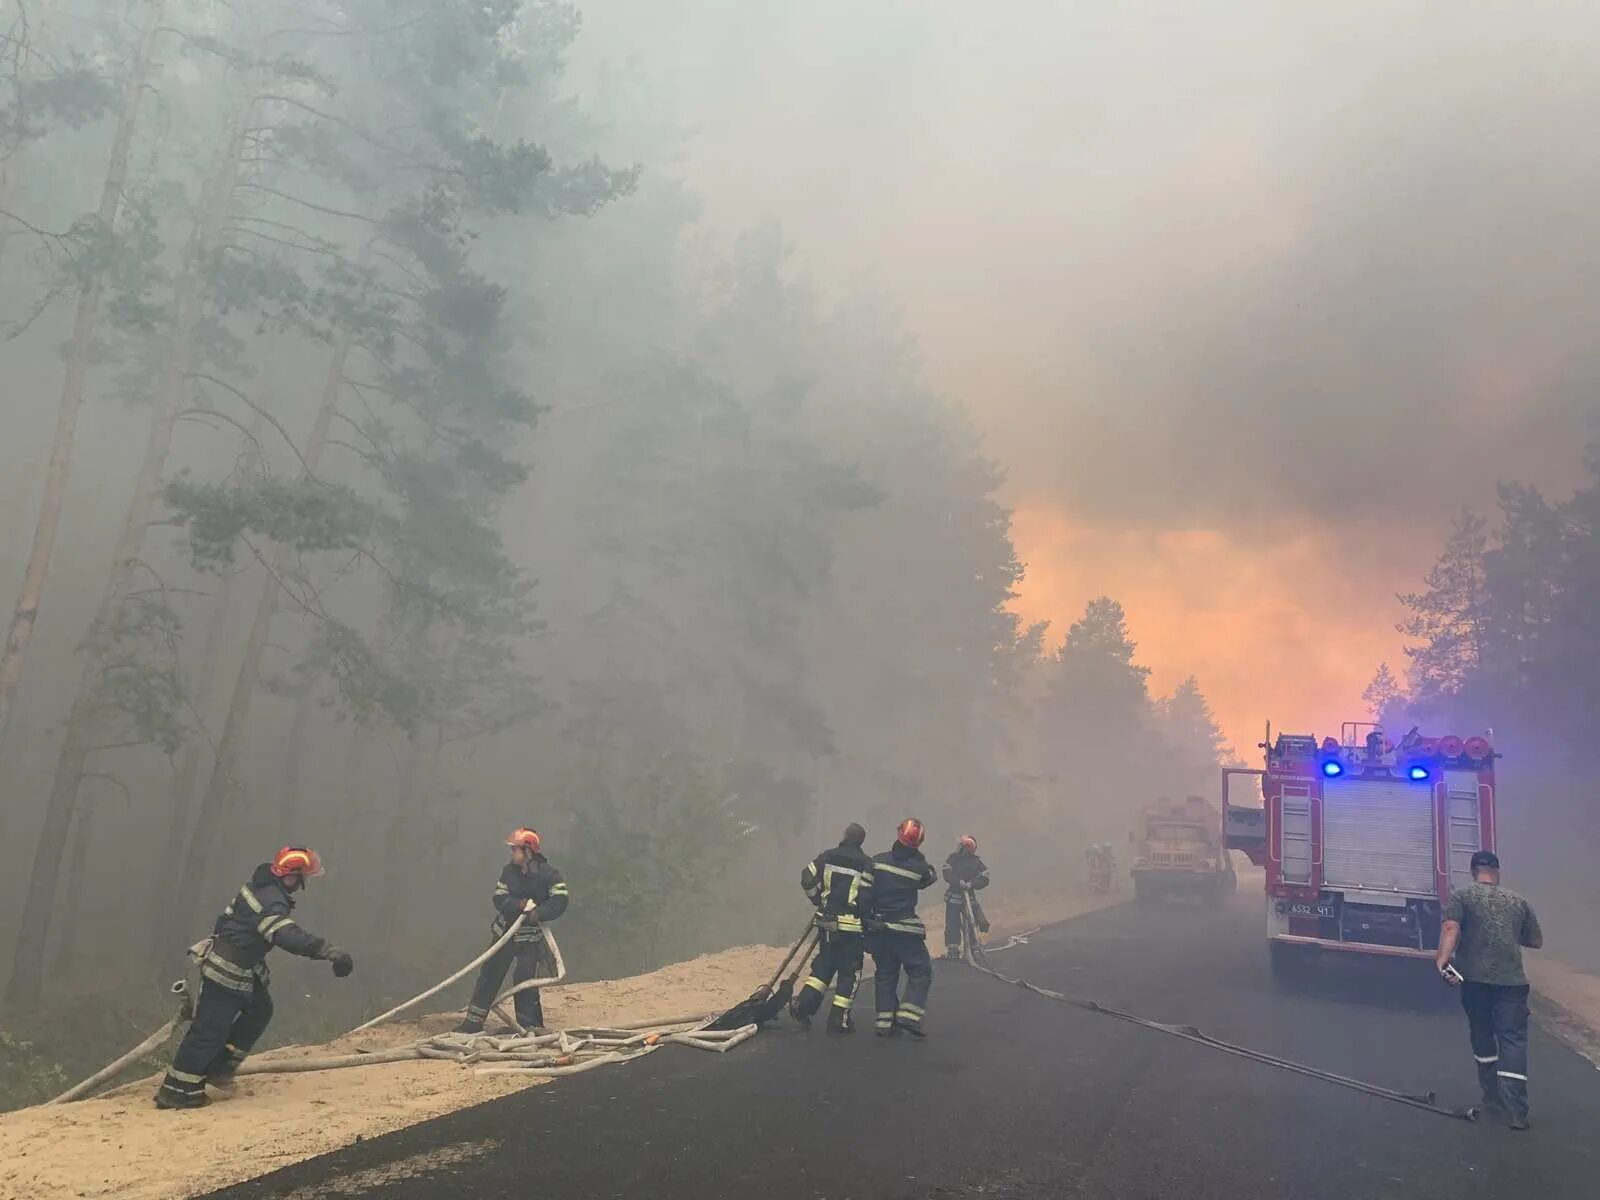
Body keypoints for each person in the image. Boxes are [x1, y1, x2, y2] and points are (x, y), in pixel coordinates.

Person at [156, 847, 353, 1109]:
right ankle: (178, 1091)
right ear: (293, 877)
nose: (303, 884)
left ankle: (220, 1068)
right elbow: (285, 935)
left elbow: (227, 922)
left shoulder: (259, 887)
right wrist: (328, 951)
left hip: (241, 965)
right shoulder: (272, 900)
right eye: (303, 877)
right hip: (228, 969)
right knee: (209, 1030)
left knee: (260, 1010)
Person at [1436, 850, 1543, 1129]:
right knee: (1513, 1041)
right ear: (1497, 872)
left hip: (1475, 982)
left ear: (1474, 871)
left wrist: (1442, 960)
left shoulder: (1463, 896)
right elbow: (1535, 940)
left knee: (1482, 1034)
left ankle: (1491, 1096)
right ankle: (1517, 1112)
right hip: (1513, 984)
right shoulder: (1518, 901)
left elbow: (1450, 928)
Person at [456, 828, 569, 1035]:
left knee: (525, 981)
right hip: (504, 935)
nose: (511, 853)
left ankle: (529, 1028)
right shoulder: (509, 872)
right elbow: (499, 898)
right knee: (490, 975)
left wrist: (539, 913)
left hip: (531, 939)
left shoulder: (549, 875)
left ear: (528, 851)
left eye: (515, 849)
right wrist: (518, 904)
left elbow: (560, 900)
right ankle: (473, 1023)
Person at [791, 822, 874, 1034]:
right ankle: (839, 1019)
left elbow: (806, 877)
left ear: (845, 836)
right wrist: (869, 922)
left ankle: (803, 1006)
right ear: (861, 841)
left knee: (824, 967)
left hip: (827, 924)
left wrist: (817, 899)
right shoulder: (866, 864)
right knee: (850, 972)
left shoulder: (827, 856)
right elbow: (866, 897)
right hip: (852, 927)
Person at [865, 818, 938, 1038]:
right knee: (920, 970)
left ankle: (884, 1023)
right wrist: (919, 857)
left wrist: (868, 922)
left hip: (878, 928)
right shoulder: (919, 868)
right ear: (919, 842)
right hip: (905, 930)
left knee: (886, 974)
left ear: (898, 834)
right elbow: (930, 878)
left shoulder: (876, 862)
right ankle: (908, 1016)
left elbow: (863, 895)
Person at [942, 834, 991, 960]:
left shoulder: (976, 862)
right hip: (954, 897)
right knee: (952, 923)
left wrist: (972, 883)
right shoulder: (952, 859)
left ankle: (973, 947)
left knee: (972, 922)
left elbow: (985, 877)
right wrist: (959, 882)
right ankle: (953, 949)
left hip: (969, 897)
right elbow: (947, 873)